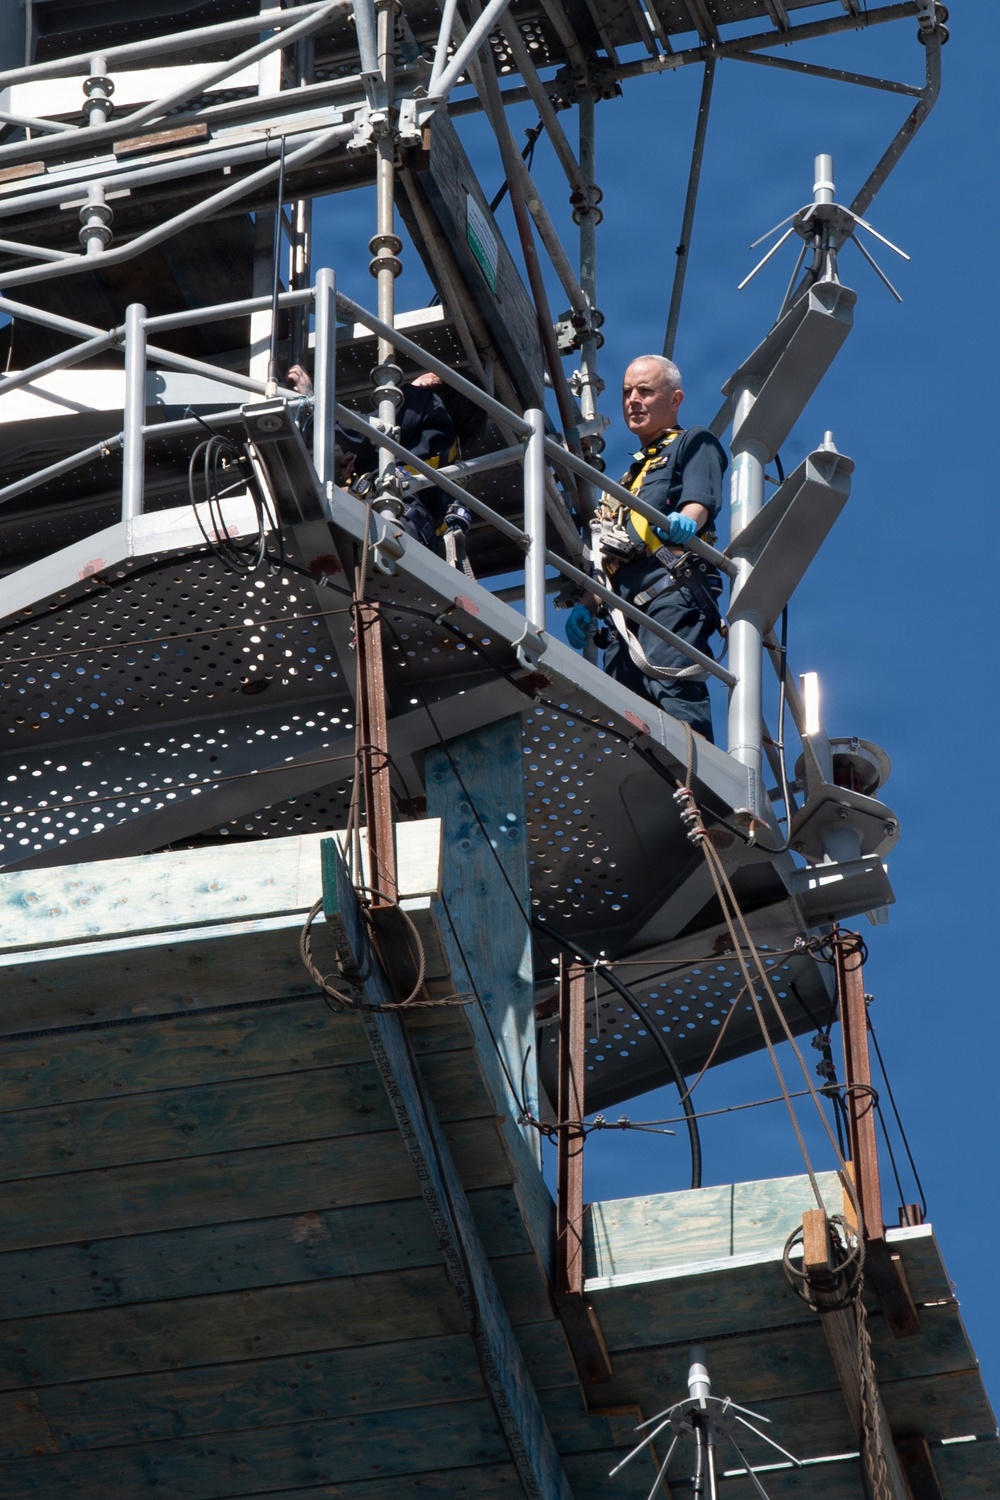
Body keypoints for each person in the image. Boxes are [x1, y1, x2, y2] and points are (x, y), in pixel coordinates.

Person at [566, 355, 728, 742]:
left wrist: (687, 521)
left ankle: (696, 784)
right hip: (623, 613)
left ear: (675, 400)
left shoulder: (692, 441)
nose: (632, 401)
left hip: (669, 590)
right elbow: (608, 555)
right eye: (626, 393)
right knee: (623, 718)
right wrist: (588, 604)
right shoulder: (625, 481)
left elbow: (699, 499)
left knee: (671, 692)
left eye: (644, 391)